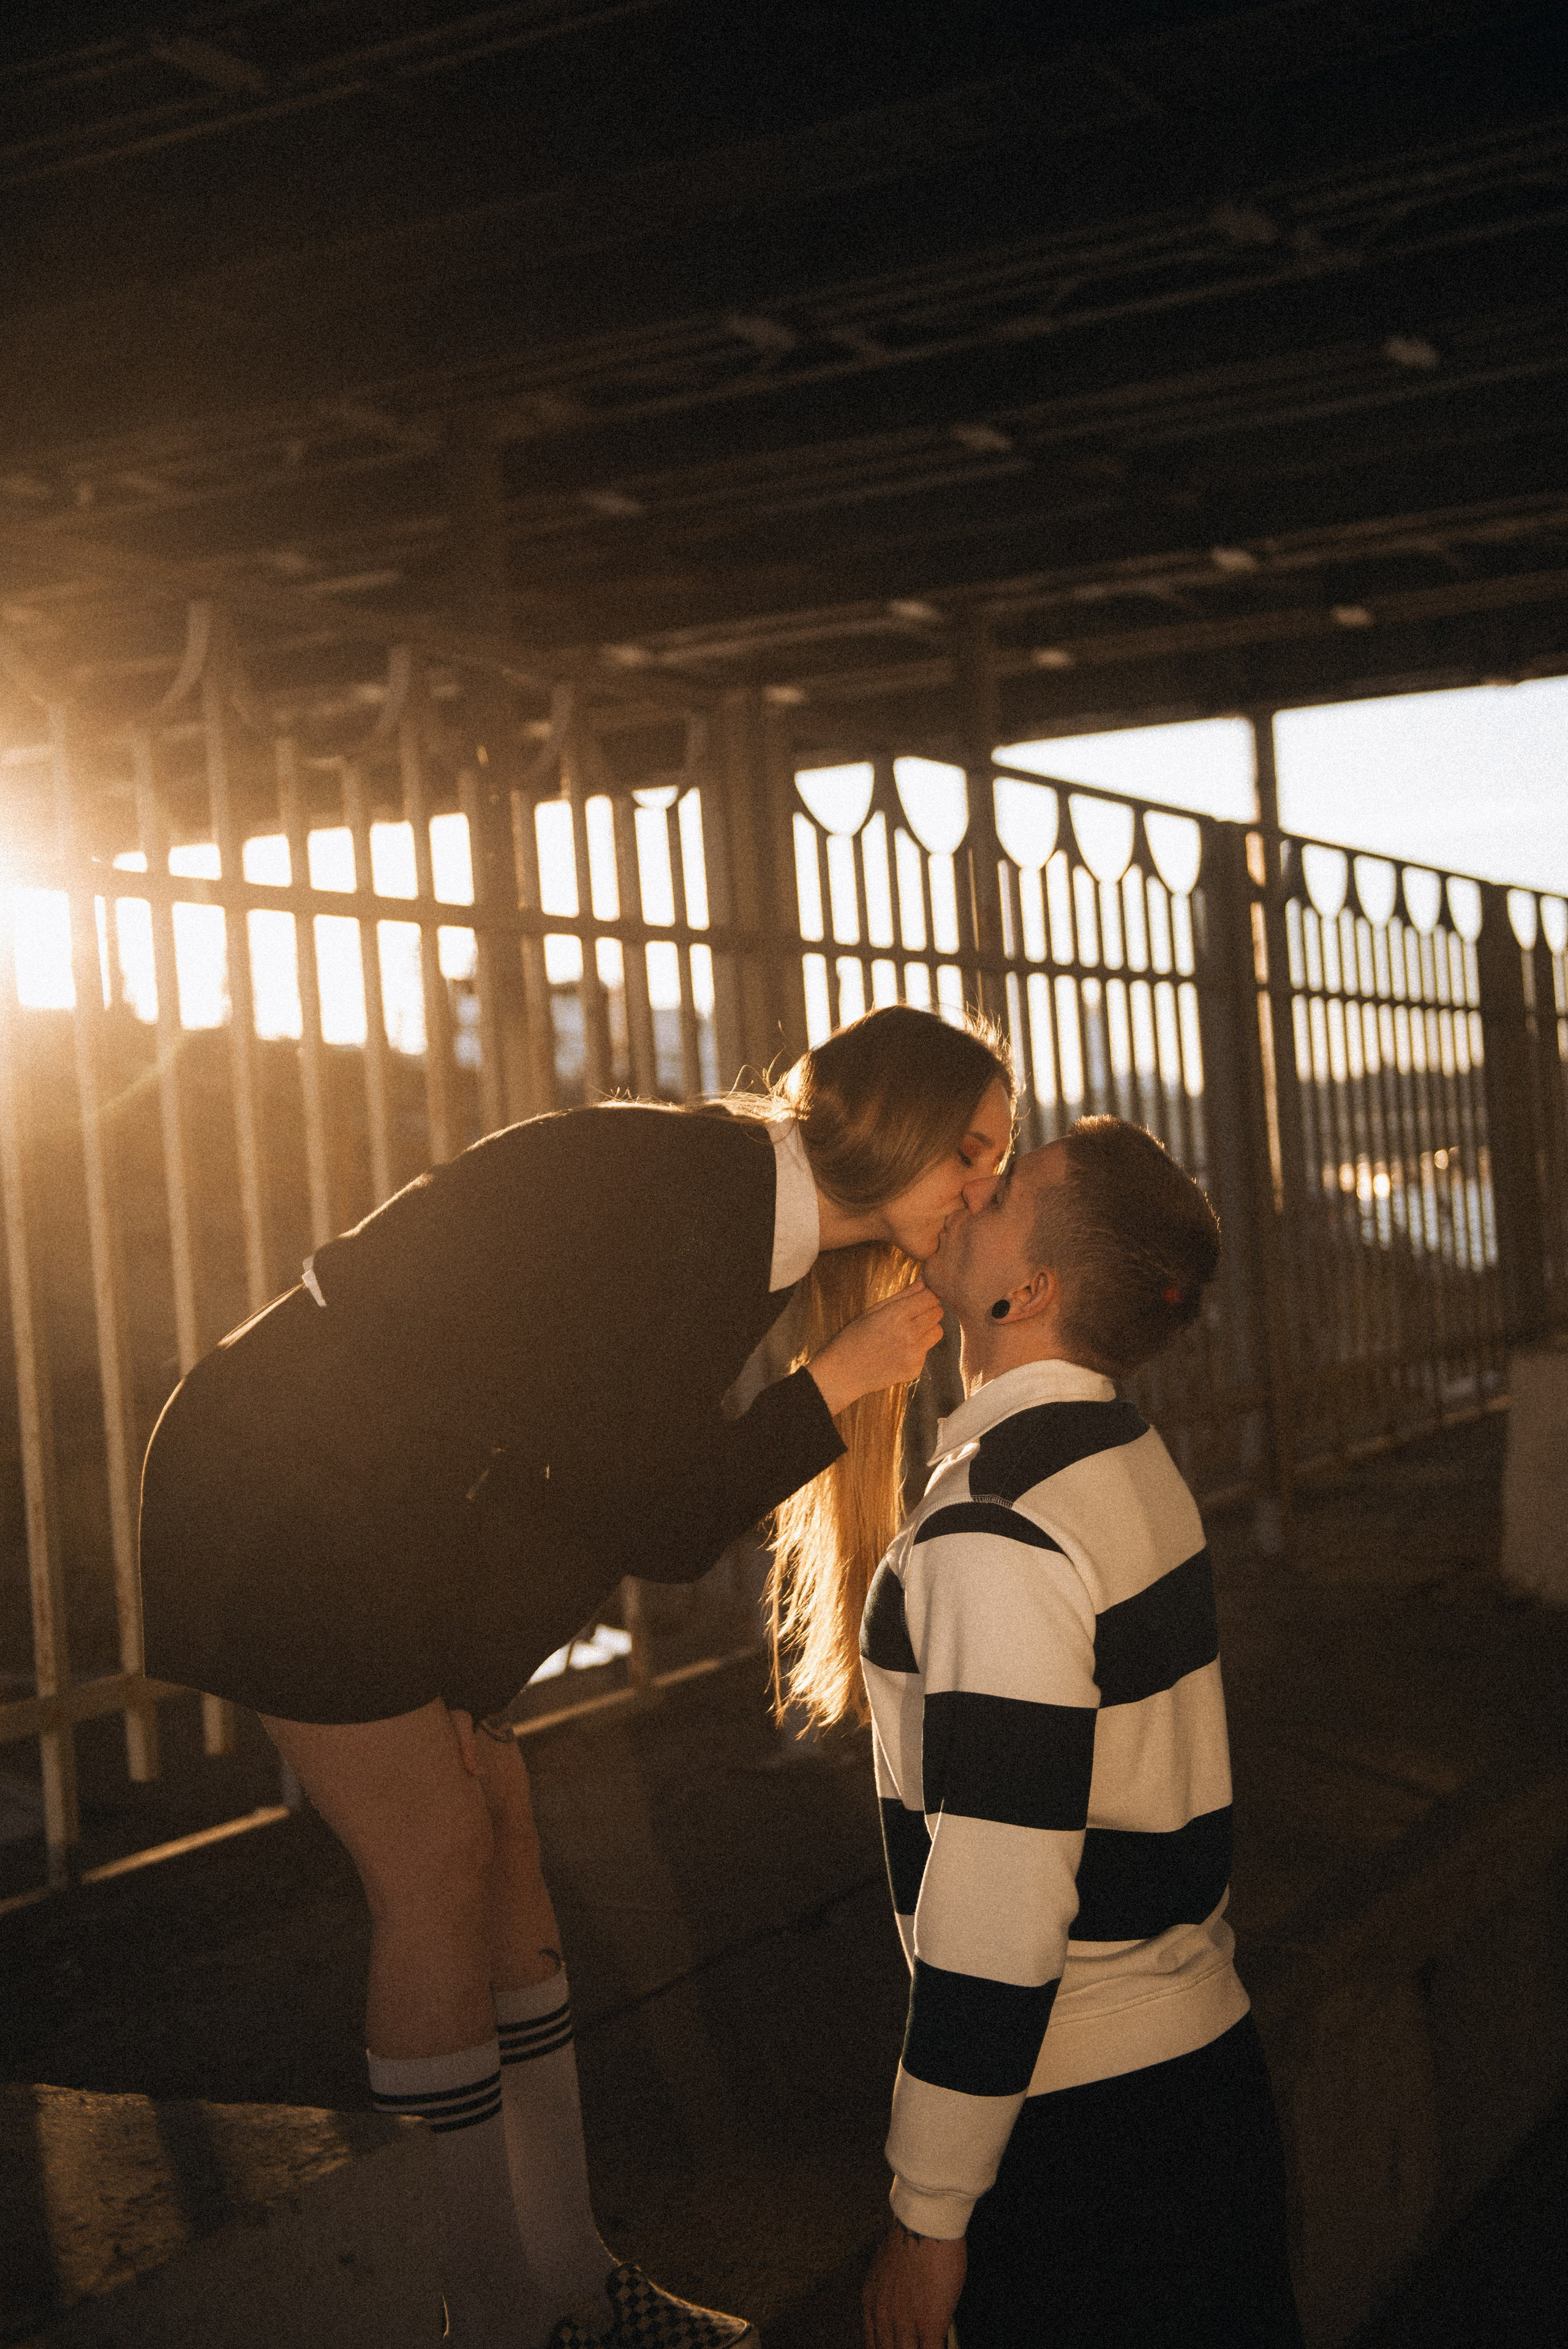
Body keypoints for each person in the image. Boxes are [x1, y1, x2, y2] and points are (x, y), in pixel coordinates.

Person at [136, 1003, 1014, 2349]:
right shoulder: (707, 1198)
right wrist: (833, 1381)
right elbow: (651, 1512)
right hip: (284, 1501)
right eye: (971, 1151)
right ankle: (489, 2304)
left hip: (378, 1516)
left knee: (501, 1833)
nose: (983, 1189)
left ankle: (566, 2275)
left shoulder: (749, 1212)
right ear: (895, 1121)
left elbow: (566, 1464)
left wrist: (469, 1673)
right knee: (435, 1860)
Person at [775, 1115, 1304, 2348]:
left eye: (1004, 1188)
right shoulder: (1127, 1457)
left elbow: (1001, 1894)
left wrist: (927, 2214)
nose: (970, 1188)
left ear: (1029, 1292)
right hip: (1204, 2082)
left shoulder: (994, 1525)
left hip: (1083, 2145)